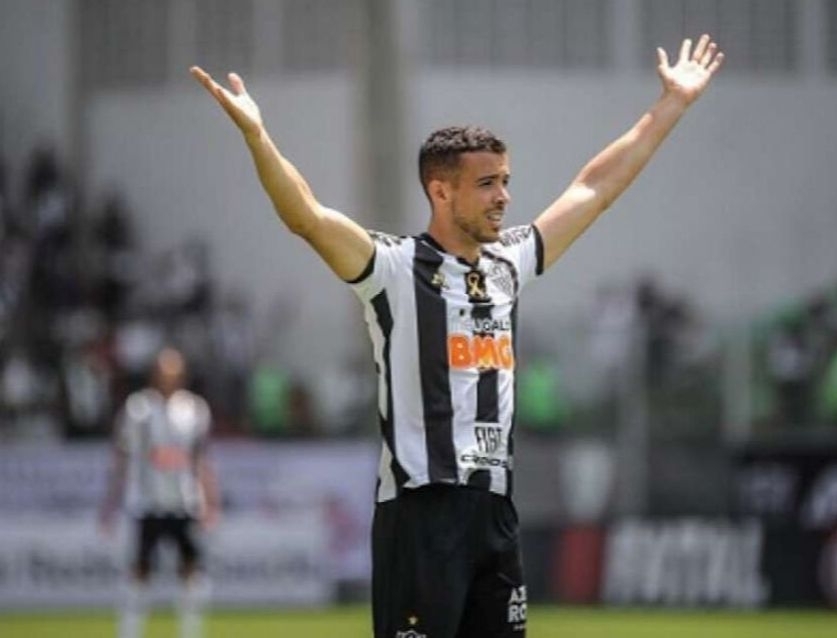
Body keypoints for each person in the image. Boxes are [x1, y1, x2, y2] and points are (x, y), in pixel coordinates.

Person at [191, 34, 723, 638]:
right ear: (441, 191)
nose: (504, 197)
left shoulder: (509, 262)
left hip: (495, 511)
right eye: (487, 184)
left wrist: (671, 105)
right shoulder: (393, 268)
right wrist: (257, 136)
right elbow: (306, 216)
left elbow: (594, 189)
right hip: (422, 512)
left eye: (505, 181)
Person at [99, 346, 220, 638]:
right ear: (154, 374)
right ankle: (130, 631)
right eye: (163, 372)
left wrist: (211, 502)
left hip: (184, 503)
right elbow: (122, 458)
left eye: (174, 373)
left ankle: (190, 632)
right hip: (147, 503)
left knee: (191, 571)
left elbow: (201, 459)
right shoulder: (138, 409)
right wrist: (110, 502)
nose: (169, 378)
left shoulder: (194, 409)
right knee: (139, 571)